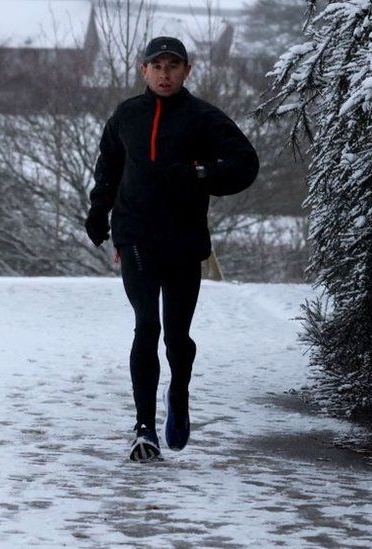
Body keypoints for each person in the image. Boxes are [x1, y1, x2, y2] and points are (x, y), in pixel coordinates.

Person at [84, 36, 259, 462]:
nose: (165, 74)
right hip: (136, 237)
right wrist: (98, 211)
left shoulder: (203, 118)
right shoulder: (127, 115)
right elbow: (109, 167)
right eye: (157, 66)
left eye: (173, 66)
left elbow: (245, 165)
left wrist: (201, 172)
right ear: (143, 70)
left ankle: (178, 391)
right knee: (148, 326)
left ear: (187, 70)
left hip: (183, 241)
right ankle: (144, 429)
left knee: (177, 335)